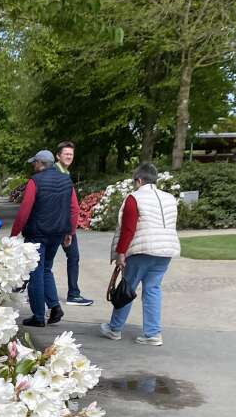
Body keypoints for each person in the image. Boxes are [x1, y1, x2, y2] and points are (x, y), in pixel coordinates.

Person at [100, 162, 179, 346]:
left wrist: (120, 253)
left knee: (128, 287)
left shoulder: (134, 198)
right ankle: (152, 333)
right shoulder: (169, 198)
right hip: (166, 249)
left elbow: (128, 228)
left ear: (139, 180)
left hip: (141, 249)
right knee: (153, 289)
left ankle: (114, 328)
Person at [10, 150, 79, 327]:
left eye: (35, 163)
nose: (33, 165)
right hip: (57, 234)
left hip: (37, 234)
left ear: (41, 163)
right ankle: (55, 307)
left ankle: (39, 316)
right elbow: (74, 209)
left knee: (35, 273)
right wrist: (69, 232)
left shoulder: (35, 181)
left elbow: (25, 209)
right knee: (46, 269)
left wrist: (14, 233)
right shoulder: (66, 180)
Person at [55, 141, 93, 306]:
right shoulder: (58, 173)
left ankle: (73, 293)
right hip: (61, 225)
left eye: (71, 154)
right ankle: (73, 294)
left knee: (67, 257)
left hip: (62, 224)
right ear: (58, 155)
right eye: (66, 154)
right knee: (47, 259)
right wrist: (68, 229)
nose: (69, 156)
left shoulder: (64, 172)